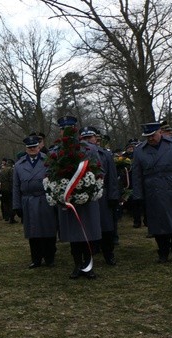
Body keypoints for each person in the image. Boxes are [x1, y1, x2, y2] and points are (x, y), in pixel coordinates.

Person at [132, 122, 172, 263]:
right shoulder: (139, 150)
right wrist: (138, 195)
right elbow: (136, 175)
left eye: (152, 135)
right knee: (158, 225)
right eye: (147, 137)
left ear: (159, 132)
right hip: (153, 191)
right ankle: (163, 253)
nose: (150, 139)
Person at [54, 116, 102, 279]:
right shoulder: (55, 151)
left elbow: (99, 171)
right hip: (68, 200)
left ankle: (88, 267)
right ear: (60, 132)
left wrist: (89, 187)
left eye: (70, 129)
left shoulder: (89, 149)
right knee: (74, 235)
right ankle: (76, 265)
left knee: (87, 233)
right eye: (63, 129)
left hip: (87, 198)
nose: (66, 133)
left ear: (75, 131)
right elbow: (50, 174)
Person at [12, 136, 57, 268]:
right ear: (26, 149)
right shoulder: (19, 165)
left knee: (48, 230)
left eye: (34, 147)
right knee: (33, 232)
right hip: (28, 201)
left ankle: (50, 258)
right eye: (29, 147)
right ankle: (36, 259)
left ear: (39, 147)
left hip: (45, 199)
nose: (32, 149)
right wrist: (16, 206)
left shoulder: (49, 161)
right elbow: (15, 187)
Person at [79, 126, 120, 265]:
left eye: (90, 137)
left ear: (96, 138)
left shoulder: (106, 154)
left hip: (103, 195)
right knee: (88, 227)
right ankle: (90, 254)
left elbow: (112, 178)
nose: (87, 141)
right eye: (84, 138)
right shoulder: (78, 154)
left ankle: (109, 255)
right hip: (85, 196)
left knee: (106, 227)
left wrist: (113, 196)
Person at [0, 159, 16, 223]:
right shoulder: (11, 170)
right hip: (9, 188)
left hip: (3, 189)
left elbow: (0, 180)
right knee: (11, 203)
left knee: (5, 204)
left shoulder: (2, 170)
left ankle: (6, 217)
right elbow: (12, 180)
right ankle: (12, 218)